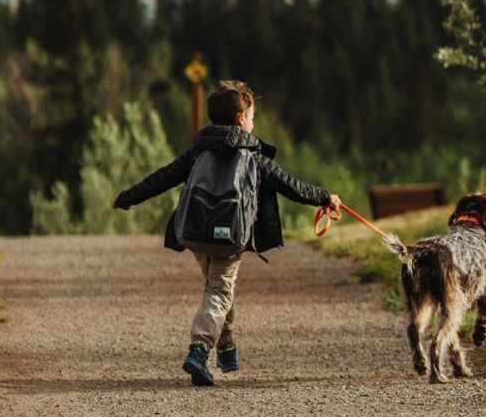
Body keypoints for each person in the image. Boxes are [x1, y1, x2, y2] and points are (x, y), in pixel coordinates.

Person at [113, 80, 341, 386]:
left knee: (217, 288)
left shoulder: (197, 152)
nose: (253, 122)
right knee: (219, 291)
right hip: (230, 237)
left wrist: (129, 197)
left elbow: (163, 177)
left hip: (195, 233)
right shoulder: (254, 157)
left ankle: (228, 345)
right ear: (240, 120)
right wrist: (326, 197)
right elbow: (292, 186)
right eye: (252, 117)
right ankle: (199, 349)